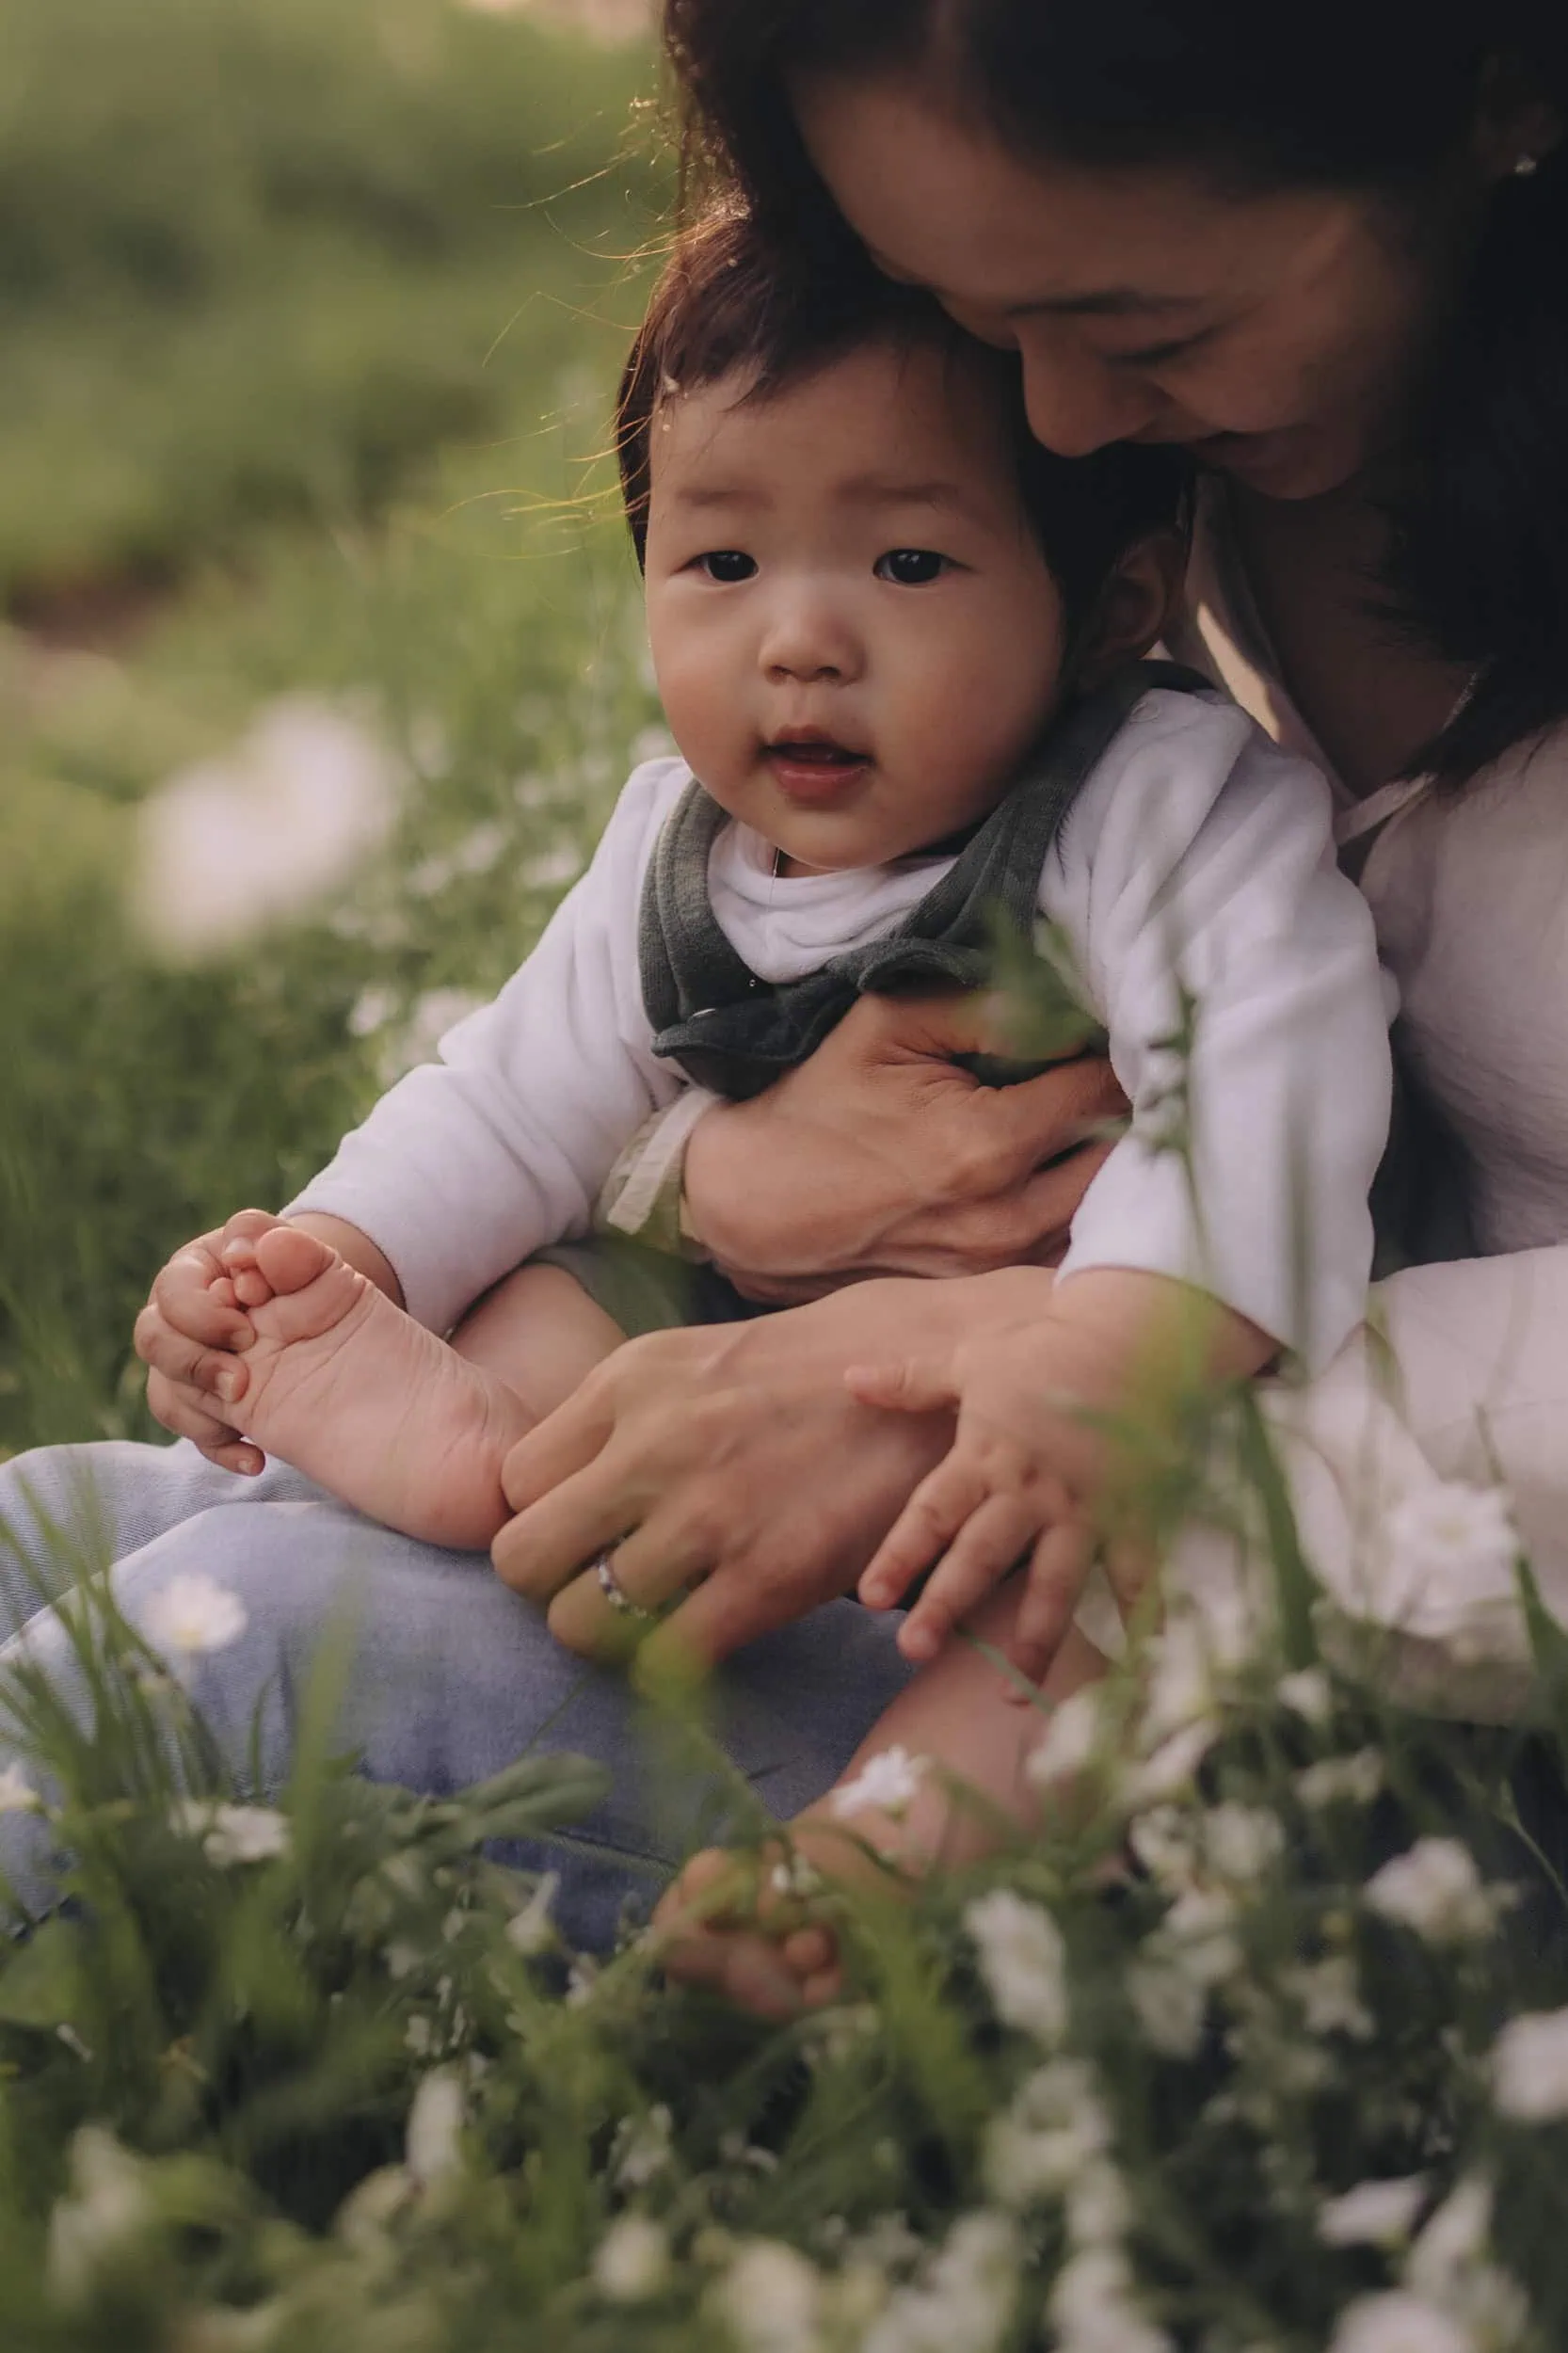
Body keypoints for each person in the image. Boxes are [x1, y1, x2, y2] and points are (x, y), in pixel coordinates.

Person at [3, 0, 1564, 2011]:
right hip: (874, 1481)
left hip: (1204, 1594)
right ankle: (479, 1468)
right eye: (966, 308)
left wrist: (991, 1362)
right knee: (58, 1521)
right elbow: (519, 1079)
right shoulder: (1161, 482)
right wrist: (551, 1205)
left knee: (230, 1632)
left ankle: (856, 1884)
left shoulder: (1156, 780)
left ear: (1498, 96)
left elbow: (1263, 1075)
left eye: (1138, 322)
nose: (1063, 421)